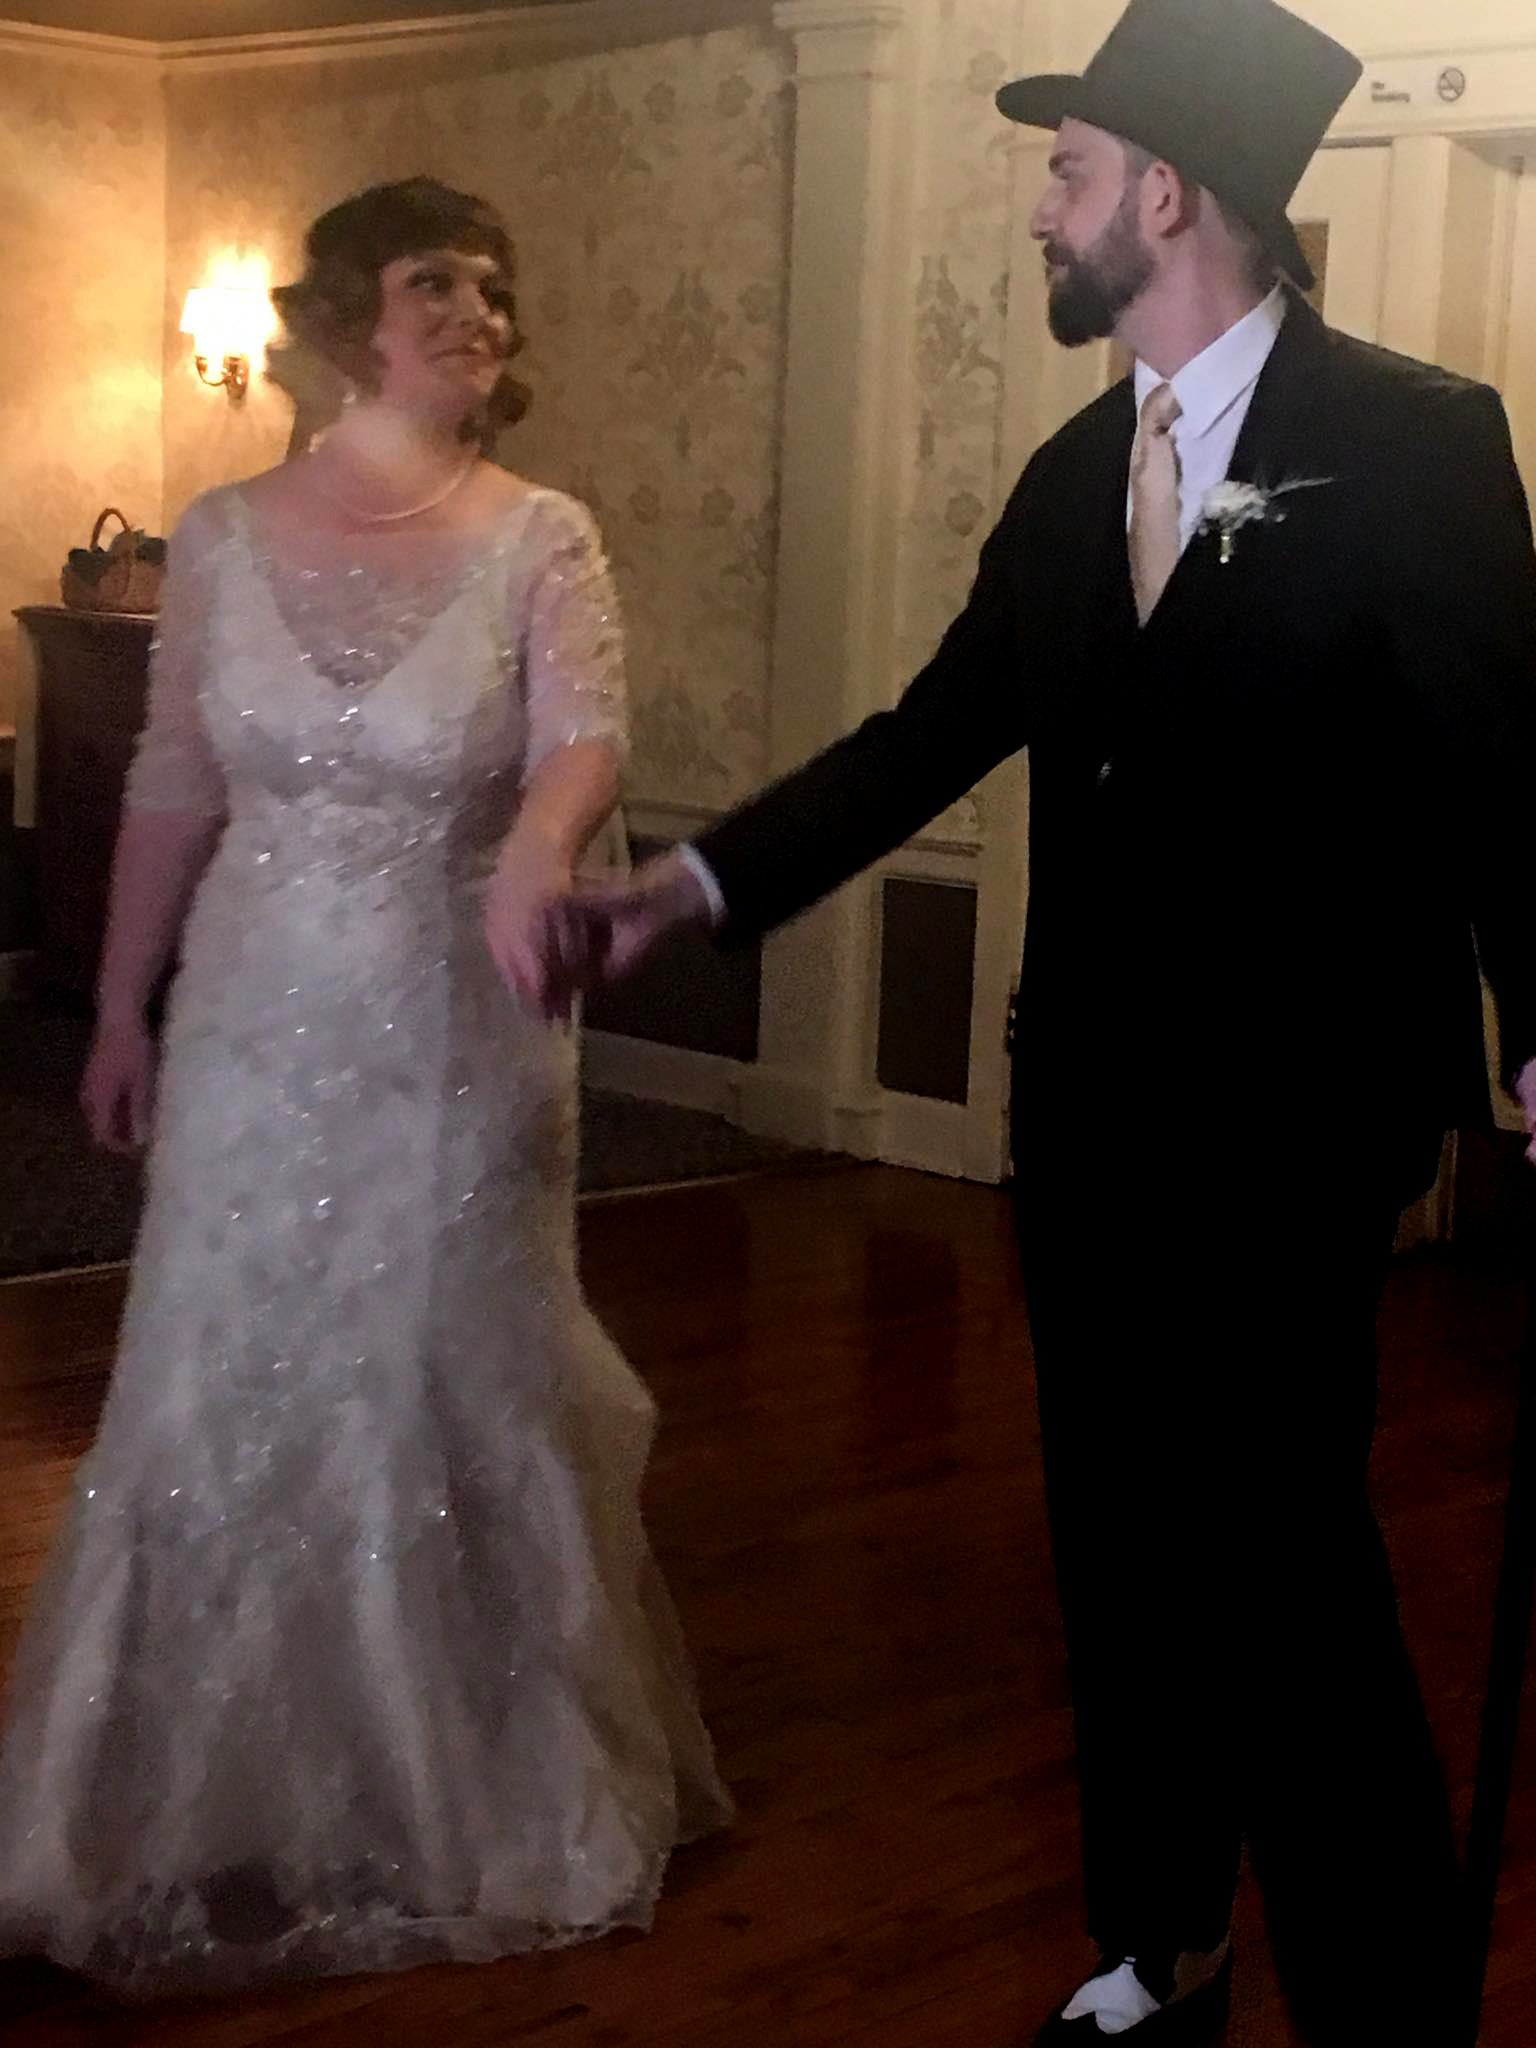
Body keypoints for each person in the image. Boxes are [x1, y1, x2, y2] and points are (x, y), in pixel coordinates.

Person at [535, 3, 1536, 2041]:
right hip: (1083, 1110)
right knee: (1119, 1545)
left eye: (1065, 173)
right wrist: (704, 882)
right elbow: (938, 726)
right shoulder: (1085, 461)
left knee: (1286, 1566)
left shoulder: (1423, 441)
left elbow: (1507, 772)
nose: (1039, 214)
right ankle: (1159, 1944)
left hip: (1298, 1119)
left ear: (1171, 195)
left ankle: (1388, 2003)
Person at [0, 176, 729, 1997]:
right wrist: (117, 1007)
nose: (476, 311)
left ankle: (466, 1784)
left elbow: (581, 743)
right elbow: (173, 780)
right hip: (252, 1012)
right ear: (344, 317)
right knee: (225, 1364)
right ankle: (189, 1776)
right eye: (434, 282)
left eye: (495, 286)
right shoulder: (224, 530)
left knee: (433, 1370)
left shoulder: (541, 534)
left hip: (452, 1022)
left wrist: (533, 853)